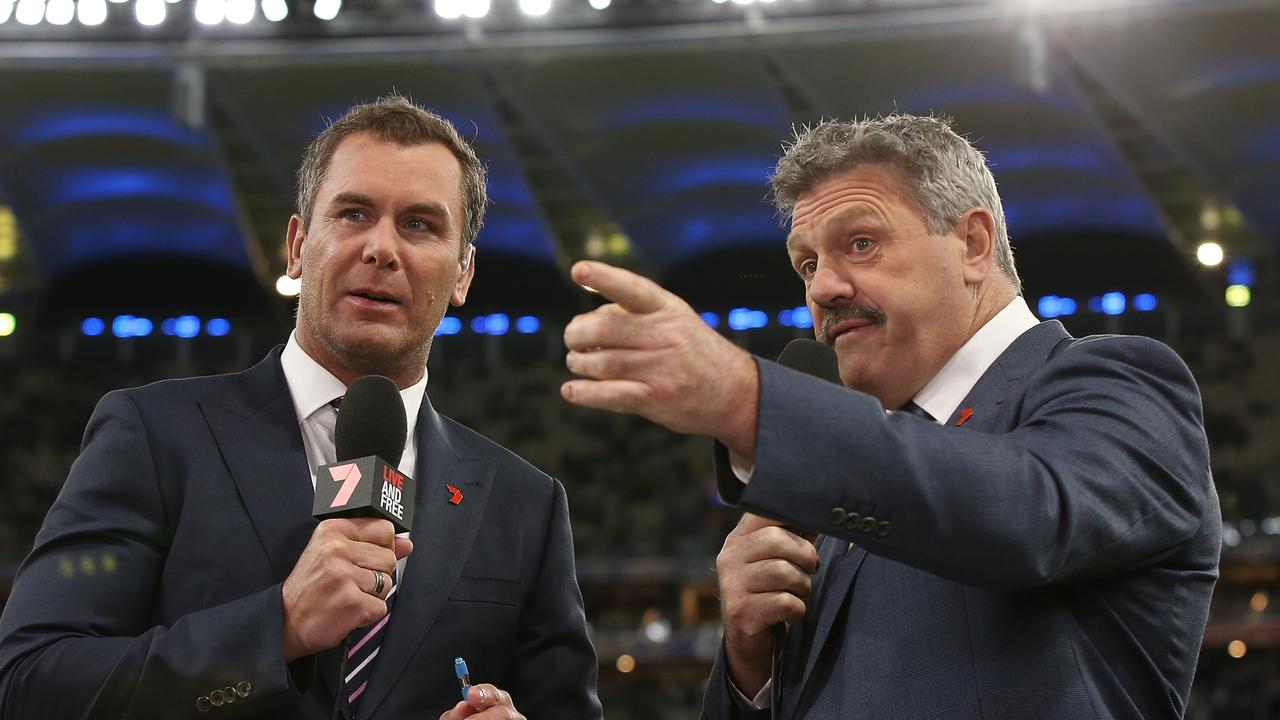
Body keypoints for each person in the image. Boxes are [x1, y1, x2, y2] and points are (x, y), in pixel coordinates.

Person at [560, 115, 1219, 719]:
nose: (821, 287)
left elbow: (1031, 514)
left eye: (862, 243)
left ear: (972, 243)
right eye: (808, 263)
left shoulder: (1121, 381)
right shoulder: (851, 475)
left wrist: (747, 398)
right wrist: (749, 669)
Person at [0, 95, 601, 720]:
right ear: (297, 245)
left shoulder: (524, 504)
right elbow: (30, 684)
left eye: (420, 224)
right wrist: (277, 626)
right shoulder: (153, 436)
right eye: (354, 213)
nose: (381, 248)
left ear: (462, 275)